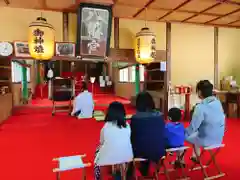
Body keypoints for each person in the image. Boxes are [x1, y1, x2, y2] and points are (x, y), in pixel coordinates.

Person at [127, 92, 166, 178]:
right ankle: (150, 170)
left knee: (135, 144)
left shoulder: (135, 118)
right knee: (148, 141)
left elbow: (132, 135)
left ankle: (129, 175)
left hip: (140, 151)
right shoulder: (160, 116)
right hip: (159, 150)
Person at [185, 80, 225, 162]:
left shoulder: (200, 107)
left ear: (199, 92)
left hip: (206, 140)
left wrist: (182, 133)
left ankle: (181, 160)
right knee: (197, 134)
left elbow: (193, 127)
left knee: (184, 135)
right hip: (219, 139)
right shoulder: (218, 102)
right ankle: (195, 156)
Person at [94, 102, 133, 180]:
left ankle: (99, 177)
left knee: (97, 152)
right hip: (127, 156)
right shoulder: (127, 126)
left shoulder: (106, 127)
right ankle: (121, 173)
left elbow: (101, 142)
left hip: (108, 158)